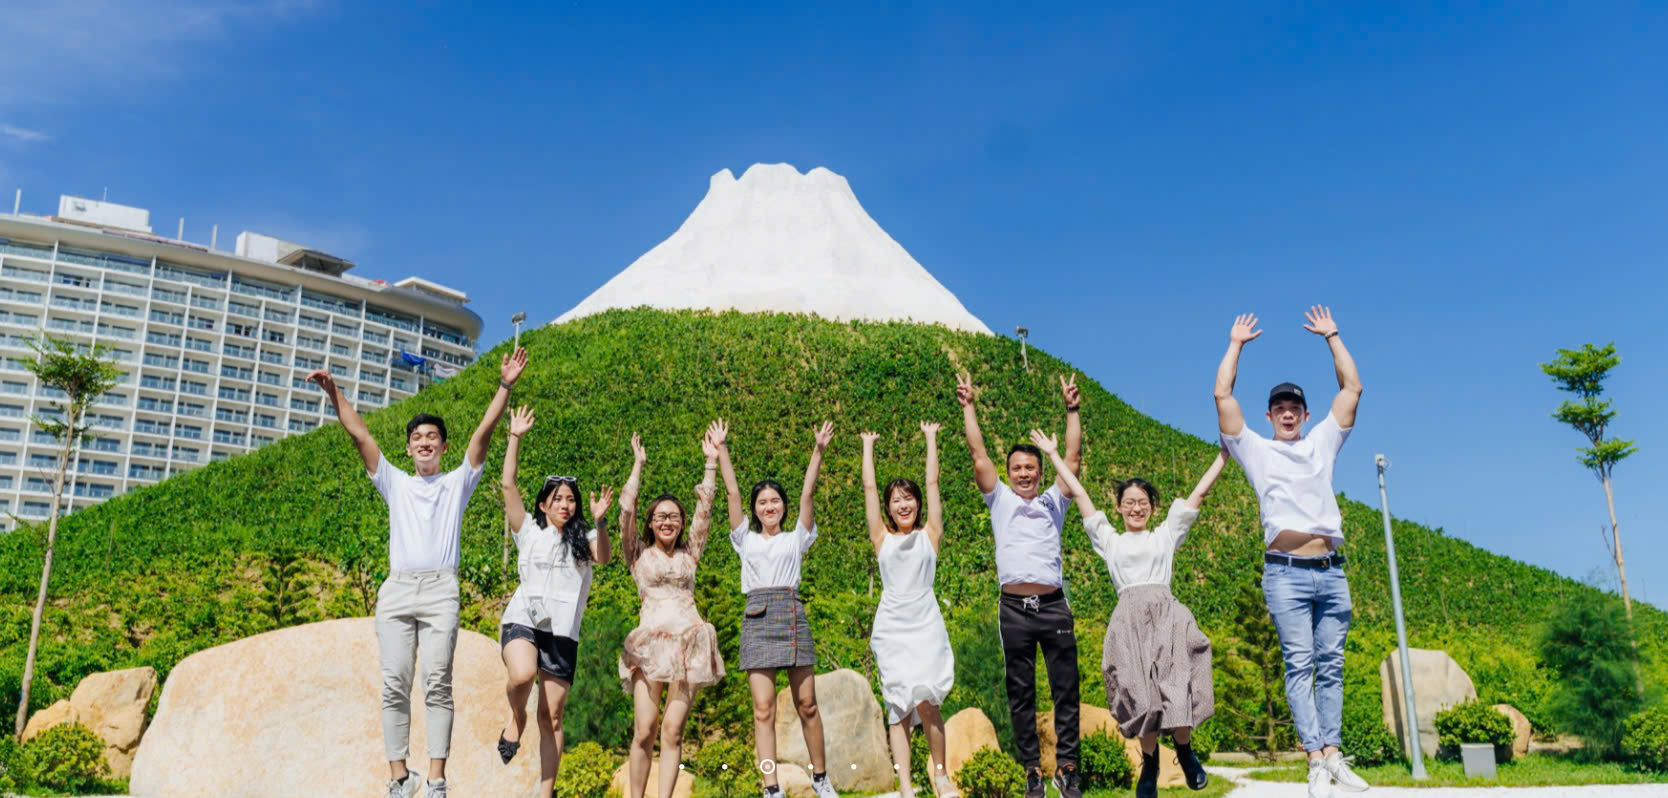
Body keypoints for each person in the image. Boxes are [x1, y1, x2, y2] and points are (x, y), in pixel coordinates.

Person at [308, 346, 526, 798]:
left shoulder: (456, 483)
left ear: (443, 447)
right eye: (417, 438)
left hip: (441, 588)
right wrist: (335, 395)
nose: (425, 442)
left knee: (438, 683)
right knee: (393, 683)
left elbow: (483, 436)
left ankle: (437, 780)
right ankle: (398, 779)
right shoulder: (395, 481)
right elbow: (362, 436)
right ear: (408, 449)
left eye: (433, 437)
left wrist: (504, 386)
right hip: (398, 590)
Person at [1213, 307, 1367, 798]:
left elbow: (1351, 391)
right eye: (1278, 406)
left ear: (1303, 414)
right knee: (1300, 664)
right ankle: (1315, 759)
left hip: (1332, 570)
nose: (1285, 412)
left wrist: (1333, 337)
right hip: (1286, 574)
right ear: (1269, 415)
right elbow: (1222, 396)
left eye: (1293, 407)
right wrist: (1235, 344)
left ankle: (1335, 755)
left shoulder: (1321, 442)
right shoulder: (1257, 450)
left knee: (1333, 665)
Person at [1032, 430, 1225, 798]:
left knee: (1178, 687)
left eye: (1143, 502)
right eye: (1129, 502)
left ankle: (1185, 753)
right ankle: (1149, 765)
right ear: (1118, 507)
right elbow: (1082, 496)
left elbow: (1198, 494)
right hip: (1129, 623)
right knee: (1143, 697)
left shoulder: (1165, 536)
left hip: (1167, 617)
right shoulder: (1110, 540)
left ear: (1152, 507)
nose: (1136, 507)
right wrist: (1054, 455)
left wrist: (1223, 456)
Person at [956, 372, 1084, 798]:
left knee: (1066, 688)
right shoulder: (1001, 500)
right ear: (1008, 473)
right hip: (1014, 609)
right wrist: (969, 407)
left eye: (1031, 467)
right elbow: (978, 456)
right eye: (1017, 468)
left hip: (1054, 604)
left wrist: (1072, 410)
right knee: (1021, 692)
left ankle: (1067, 770)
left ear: (1041, 471)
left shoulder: (1055, 500)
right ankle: (1032, 771)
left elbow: (1074, 456)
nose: (1024, 473)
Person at [716, 420, 841, 798]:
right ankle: (771, 788)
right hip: (756, 615)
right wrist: (722, 448)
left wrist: (818, 450)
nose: (769, 506)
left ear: (783, 507)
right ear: (756, 509)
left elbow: (808, 495)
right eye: (763, 502)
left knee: (808, 704)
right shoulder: (744, 539)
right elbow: (733, 492)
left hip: (791, 612)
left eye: (775, 501)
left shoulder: (797, 537)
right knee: (763, 709)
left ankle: (821, 778)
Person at [496, 405, 613, 796]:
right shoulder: (527, 531)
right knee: (521, 675)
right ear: (544, 504)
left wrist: (599, 521)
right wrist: (514, 437)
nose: (566, 504)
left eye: (571, 500)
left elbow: (606, 557)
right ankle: (516, 716)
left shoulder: (584, 540)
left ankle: (545, 792)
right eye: (558, 499)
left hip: (563, 633)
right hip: (523, 621)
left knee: (554, 718)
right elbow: (508, 485)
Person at [618, 426, 727, 798]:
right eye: (660, 516)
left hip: (689, 643)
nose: (667, 521)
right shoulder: (636, 554)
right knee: (645, 729)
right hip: (650, 644)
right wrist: (638, 465)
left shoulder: (690, 552)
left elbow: (706, 509)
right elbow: (626, 510)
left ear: (681, 525)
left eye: (674, 517)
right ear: (650, 523)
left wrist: (711, 463)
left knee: (673, 731)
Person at [861, 423, 957, 798]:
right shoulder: (881, 538)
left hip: (925, 623)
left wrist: (931, 439)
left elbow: (933, 483)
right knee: (897, 707)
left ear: (917, 504)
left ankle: (941, 775)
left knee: (928, 701)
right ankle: (904, 786)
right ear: (887, 507)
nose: (903, 505)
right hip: (892, 627)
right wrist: (868, 447)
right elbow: (868, 488)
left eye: (909, 498)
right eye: (896, 500)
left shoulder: (930, 535)